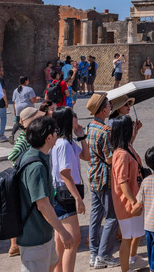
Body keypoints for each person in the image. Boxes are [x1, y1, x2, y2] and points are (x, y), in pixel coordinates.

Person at [17, 116, 75, 272]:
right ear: (48, 138)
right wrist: (62, 232)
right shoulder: (36, 166)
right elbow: (43, 205)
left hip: (42, 235)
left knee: (51, 264)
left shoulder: (34, 156)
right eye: (55, 132)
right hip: (34, 238)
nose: (57, 134)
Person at [50, 107, 88, 272]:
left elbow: (86, 156)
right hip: (66, 193)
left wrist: (82, 138)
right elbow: (64, 173)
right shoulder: (64, 144)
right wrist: (78, 198)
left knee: (61, 242)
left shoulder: (68, 142)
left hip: (63, 193)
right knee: (73, 240)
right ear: (67, 120)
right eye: (74, 117)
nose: (77, 120)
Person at [85, 93, 120, 269]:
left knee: (95, 216)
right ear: (103, 109)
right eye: (108, 105)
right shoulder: (105, 132)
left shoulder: (89, 127)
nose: (110, 107)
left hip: (93, 176)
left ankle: (93, 253)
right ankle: (104, 255)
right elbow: (109, 159)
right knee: (112, 217)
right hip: (105, 178)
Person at [110, 115, 144, 272]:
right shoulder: (121, 154)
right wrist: (132, 202)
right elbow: (122, 181)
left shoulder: (126, 148)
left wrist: (135, 133)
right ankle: (125, 269)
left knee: (135, 234)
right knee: (127, 238)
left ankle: (132, 259)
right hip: (127, 203)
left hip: (133, 199)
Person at [6, 106, 42, 257]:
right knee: (21, 210)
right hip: (23, 178)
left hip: (25, 176)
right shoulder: (23, 137)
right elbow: (12, 155)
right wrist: (27, 159)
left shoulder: (29, 135)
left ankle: (15, 244)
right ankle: (14, 245)